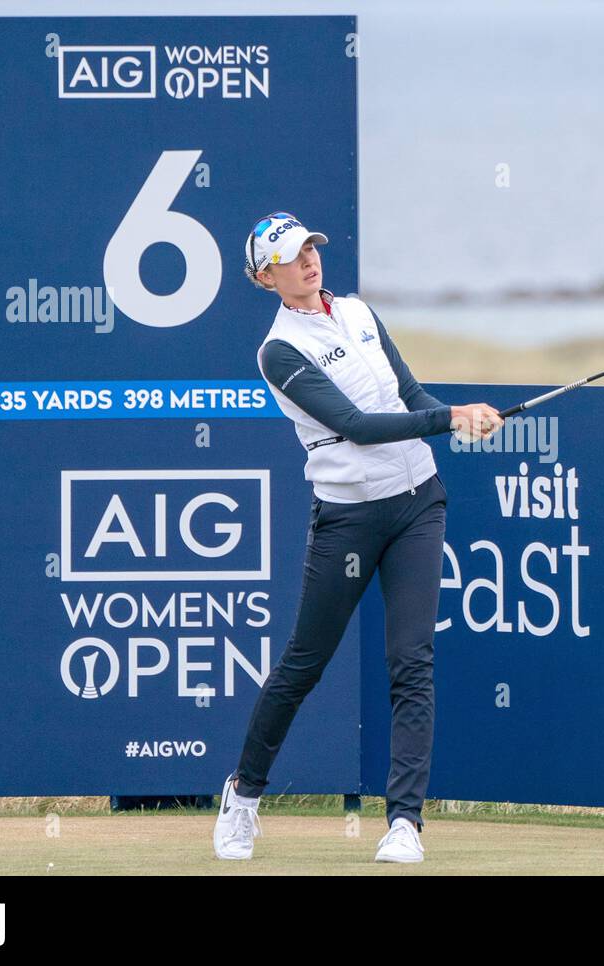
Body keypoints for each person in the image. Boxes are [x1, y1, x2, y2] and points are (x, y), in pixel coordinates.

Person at [213, 211, 502, 863]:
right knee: (304, 663)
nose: (309, 262)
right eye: (291, 257)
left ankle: (405, 822)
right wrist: (449, 415)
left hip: (418, 504)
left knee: (412, 660)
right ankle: (243, 796)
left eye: (311, 249)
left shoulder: (362, 314)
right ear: (266, 277)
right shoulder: (280, 351)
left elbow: (406, 392)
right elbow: (357, 424)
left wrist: (454, 423)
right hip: (349, 518)